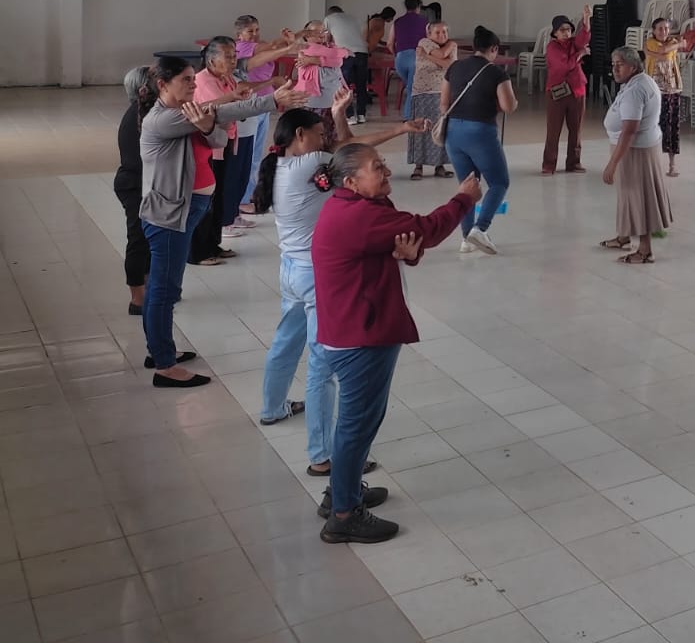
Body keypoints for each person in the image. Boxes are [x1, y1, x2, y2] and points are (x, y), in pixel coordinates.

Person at [313, 144, 482, 542]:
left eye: (384, 164)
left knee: (359, 422)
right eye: (377, 167)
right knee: (357, 425)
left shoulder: (356, 206)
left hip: (354, 328)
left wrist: (409, 254)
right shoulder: (359, 216)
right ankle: (343, 514)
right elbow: (426, 229)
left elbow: (402, 241)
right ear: (351, 181)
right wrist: (464, 199)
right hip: (360, 337)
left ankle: (341, 492)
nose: (387, 171)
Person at [254, 88, 426, 473]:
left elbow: (344, 147)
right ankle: (322, 455)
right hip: (314, 277)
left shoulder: (279, 164)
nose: (324, 140)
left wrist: (337, 114)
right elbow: (354, 151)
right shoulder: (311, 163)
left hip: (290, 269)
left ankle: (272, 407)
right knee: (322, 366)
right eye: (318, 134)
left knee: (286, 340)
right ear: (300, 136)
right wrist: (400, 129)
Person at [139, 57, 302, 388]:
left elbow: (219, 140)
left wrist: (206, 126)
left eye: (192, 79)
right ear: (162, 85)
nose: (193, 85)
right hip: (169, 216)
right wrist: (270, 101)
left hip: (186, 210)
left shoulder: (187, 113)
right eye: (186, 80)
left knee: (165, 288)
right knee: (164, 291)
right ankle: (165, 366)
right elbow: (222, 112)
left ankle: (159, 350)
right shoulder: (163, 119)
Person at [191, 35, 272, 261]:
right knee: (207, 199)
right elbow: (218, 111)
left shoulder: (226, 78)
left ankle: (213, 244)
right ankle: (198, 251)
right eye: (227, 57)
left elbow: (237, 100)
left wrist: (241, 98)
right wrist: (238, 100)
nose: (233, 60)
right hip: (210, 148)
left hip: (226, 143)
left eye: (234, 55)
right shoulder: (204, 80)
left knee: (220, 197)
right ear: (211, 60)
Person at [440, 26, 516, 255]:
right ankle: (480, 229)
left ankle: (466, 239)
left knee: (468, 185)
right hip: (480, 132)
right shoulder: (496, 72)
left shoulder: (454, 67)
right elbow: (508, 106)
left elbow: (443, 104)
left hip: (453, 133)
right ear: (494, 49)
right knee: (499, 182)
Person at [601, 46, 672, 263]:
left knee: (638, 198)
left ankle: (645, 250)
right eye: (613, 64)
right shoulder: (640, 81)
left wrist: (612, 163)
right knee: (627, 195)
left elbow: (629, 131)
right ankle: (624, 237)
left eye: (620, 65)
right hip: (638, 147)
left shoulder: (635, 91)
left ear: (633, 67)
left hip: (635, 151)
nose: (615, 69)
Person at [235, 17, 302, 209]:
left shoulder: (259, 47)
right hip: (250, 106)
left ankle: (249, 194)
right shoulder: (242, 48)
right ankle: (241, 199)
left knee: (256, 154)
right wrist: (291, 44)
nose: (255, 34)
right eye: (250, 31)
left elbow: (277, 45)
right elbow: (274, 46)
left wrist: (298, 35)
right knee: (248, 155)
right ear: (239, 35)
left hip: (264, 106)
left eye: (257, 30)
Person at [114, 66, 151, 316]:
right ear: (144, 90)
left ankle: (149, 288)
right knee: (138, 240)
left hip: (141, 183)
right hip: (134, 185)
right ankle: (138, 300)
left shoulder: (145, 112)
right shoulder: (138, 117)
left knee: (147, 240)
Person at [543, 7, 591, 175]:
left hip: (577, 91)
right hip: (557, 93)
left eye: (569, 29)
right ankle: (549, 165)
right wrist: (580, 55)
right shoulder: (552, 47)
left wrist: (586, 19)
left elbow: (584, 38)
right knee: (553, 130)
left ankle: (574, 163)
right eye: (562, 30)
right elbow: (563, 66)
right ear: (555, 33)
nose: (566, 33)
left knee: (576, 130)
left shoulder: (573, 43)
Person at [408, 19, 456, 180]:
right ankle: (418, 166)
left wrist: (426, 56)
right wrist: (438, 55)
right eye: (438, 32)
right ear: (429, 34)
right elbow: (442, 56)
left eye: (445, 32)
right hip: (422, 92)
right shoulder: (424, 42)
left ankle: (439, 165)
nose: (442, 35)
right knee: (421, 127)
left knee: (440, 128)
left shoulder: (452, 45)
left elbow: (450, 65)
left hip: (443, 92)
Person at [644, 18, 686, 177]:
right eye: (660, 29)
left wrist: (653, 53)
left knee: (672, 126)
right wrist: (680, 45)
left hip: (672, 89)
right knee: (653, 125)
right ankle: (651, 164)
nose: (664, 32)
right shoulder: (650, 42)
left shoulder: (671, 42)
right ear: (654, 31)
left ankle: (672, 164)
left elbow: (666, 54)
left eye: (666, 28)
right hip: (655, 91)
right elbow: (663, 52)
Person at [323, 6, 370, 124]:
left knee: (345, 85)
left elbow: (327, 39)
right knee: (361, 85)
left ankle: (350, 116)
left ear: (330, 13)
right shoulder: (352, 18)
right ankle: (361, 115)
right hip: (362, 52)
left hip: (345, 53)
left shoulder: (328, 19)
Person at [392, 0, 428, 117]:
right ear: (419, 6)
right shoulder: (424, 22)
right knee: (413, 88)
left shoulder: (397, 22)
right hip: (416, 58)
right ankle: (408, 117)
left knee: (411, 86)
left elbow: (390, 43)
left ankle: (415, 113)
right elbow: (429, 42)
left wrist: (397, 54)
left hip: (400, 60)